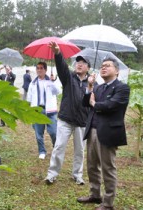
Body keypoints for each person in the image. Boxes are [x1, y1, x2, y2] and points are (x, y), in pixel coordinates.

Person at [77, 58, 130, 210]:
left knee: (108, 168)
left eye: (107, 66)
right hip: (92, 130)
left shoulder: (122, 88)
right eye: (102, 66)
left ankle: (108, 203)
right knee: (92, 166)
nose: (103, 68)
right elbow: (85, 103)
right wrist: (90, 87)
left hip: (108, 132)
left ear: (117, 70)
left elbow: (111, 105)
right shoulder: (98, 88)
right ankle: (95, 195)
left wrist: (95, 104)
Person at [45, 41, 91, 185]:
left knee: (80, 151)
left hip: (82, 121)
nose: (79, 64)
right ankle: (52, 174)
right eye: (78, 62)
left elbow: (93, 102)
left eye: (83, 63)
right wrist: (58, 53)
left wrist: (91, 86)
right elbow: (62, 67)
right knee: (59, 147)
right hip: (65, 119)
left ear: (88, 67)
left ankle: (77, 175)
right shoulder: (68, 77)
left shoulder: (91, 82)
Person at [27, 62, 59, 159]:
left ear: (45, 70)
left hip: (50, 111)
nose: (39, 70)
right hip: (38, 110)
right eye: (38, 68)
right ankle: (42, 151)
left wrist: (52, 82)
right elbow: (29, 98)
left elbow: (57, 92)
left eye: (41, 68)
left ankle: (56, 148)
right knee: (38, 134)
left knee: (54, 132)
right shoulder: (32, 83)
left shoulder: (51, 81)